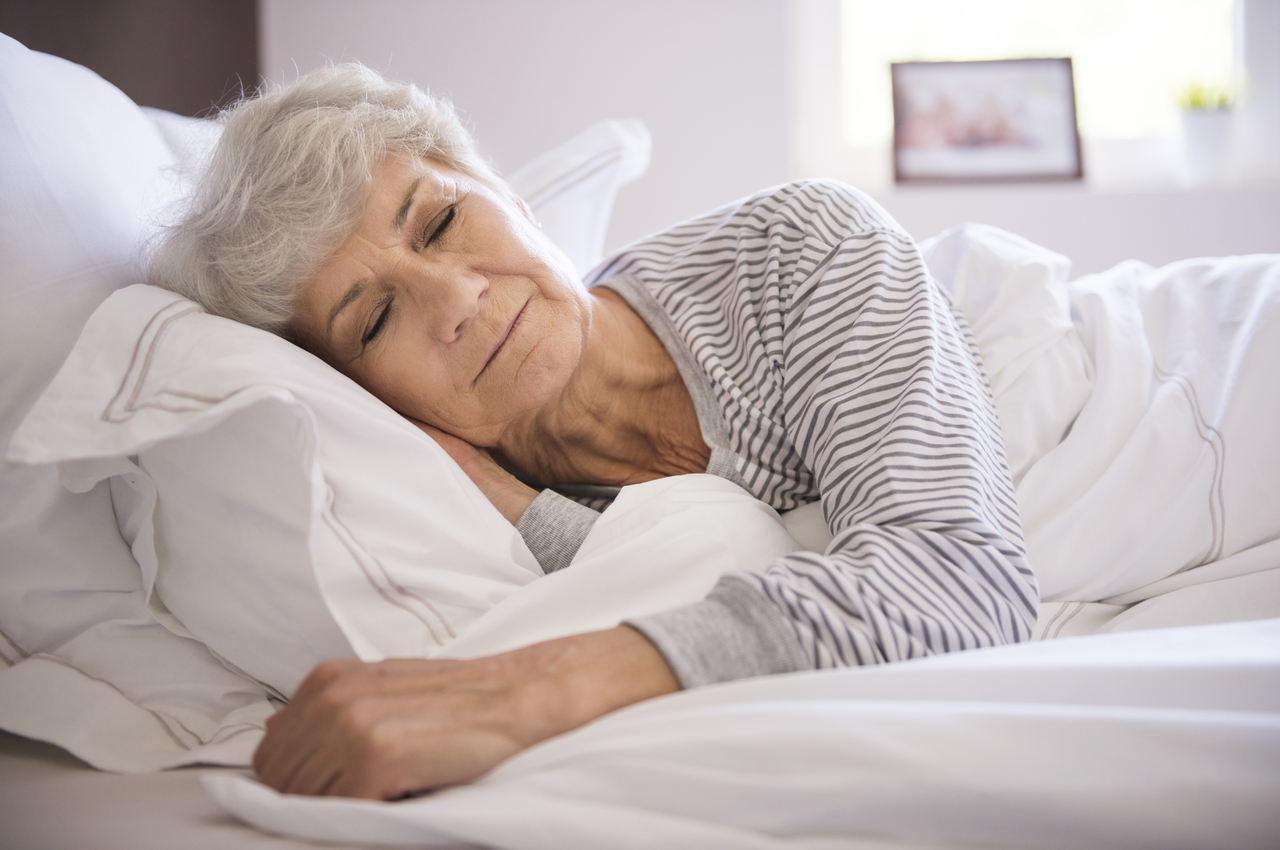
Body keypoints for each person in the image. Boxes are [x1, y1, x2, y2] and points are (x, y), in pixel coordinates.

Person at [151, 64, 1038, 800]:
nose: (457, 301)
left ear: (500, 190)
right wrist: (501, 496)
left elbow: (962, 579)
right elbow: (696, 567)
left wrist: (515, 696)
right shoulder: (445, 510)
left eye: (442, 221)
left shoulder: (795, 250)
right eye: (375, 320)